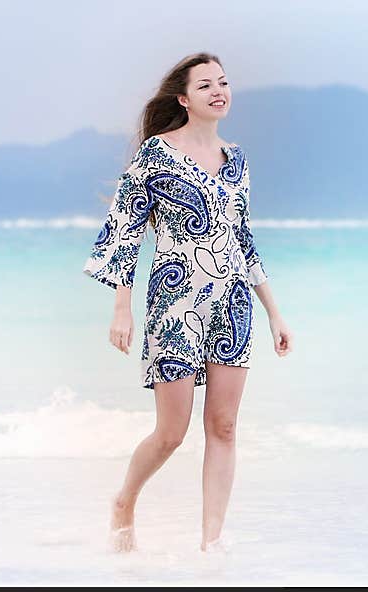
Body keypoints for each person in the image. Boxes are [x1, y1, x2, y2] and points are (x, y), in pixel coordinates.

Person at [82, 52, 293, 553]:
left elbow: (242, 237)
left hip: (233, 303)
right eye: (205, 86)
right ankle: (124, 501)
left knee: (223, 425)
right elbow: (125, 231)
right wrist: (121, 307)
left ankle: (211, 543)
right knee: (171, 433)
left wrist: (274, 311)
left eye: (223, 82)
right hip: (176, 304)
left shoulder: (236, 158)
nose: (219, 91)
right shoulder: (156, 155)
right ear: (184, 98)